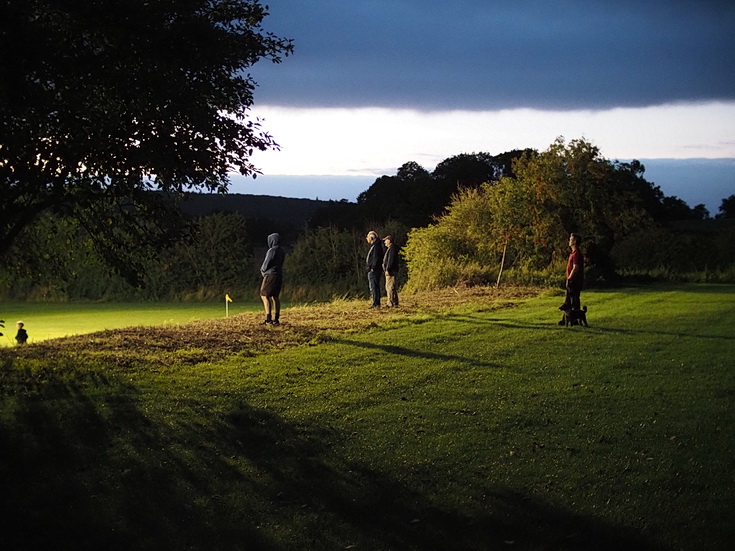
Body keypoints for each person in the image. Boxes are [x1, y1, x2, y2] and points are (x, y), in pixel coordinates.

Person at [559, 233, 584, 325]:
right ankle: (565, 319)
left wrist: (569, 278)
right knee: (568, 300)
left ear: (575, 241)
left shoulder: (577, 253)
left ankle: (575, 319)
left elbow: (576, 267)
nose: (569, 241)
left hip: (574, 281)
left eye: (571, 239)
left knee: (574, 301)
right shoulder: (573, 253)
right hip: (572, 280)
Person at [260, 233, 285, 325]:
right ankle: (276, 319)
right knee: (275, 296)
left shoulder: (272, 250)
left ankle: (268, 319)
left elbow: (266, 262)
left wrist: (262, 271)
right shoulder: (281, 251)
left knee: (264, 295)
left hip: (270, 275)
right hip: (279, 274)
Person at [365, 230, 383, 308]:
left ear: (372, 237)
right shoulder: (376, 245)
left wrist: (372, 268)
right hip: (375, 270)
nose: (366, 238)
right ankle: (376, 302)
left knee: (374, 287)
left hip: (374, 271)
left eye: (367, 237)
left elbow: (375, 258)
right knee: (374, 286)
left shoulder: (376, 246)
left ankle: (376, 303)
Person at [382, 235, 399, 307]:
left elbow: (390, 260)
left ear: (389, 240)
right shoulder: (391, 248)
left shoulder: (392, 249)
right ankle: (394, 302)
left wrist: (387, 269)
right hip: (391, 270)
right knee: (391, 286)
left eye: (385, 240)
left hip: (391, 271)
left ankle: (390, 302)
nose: (384, 242)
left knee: (389, 287)